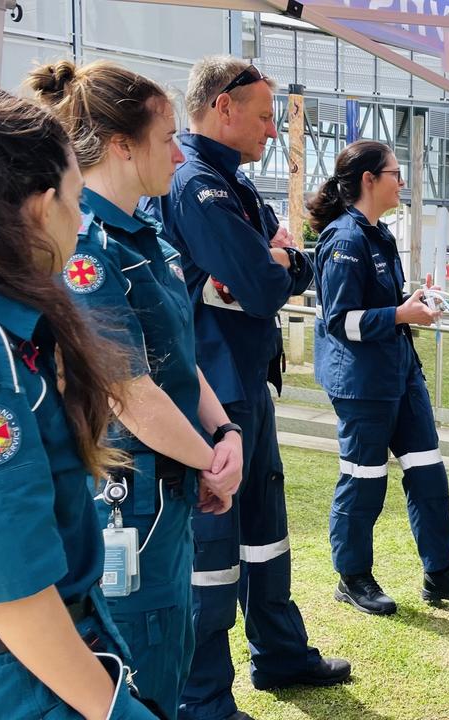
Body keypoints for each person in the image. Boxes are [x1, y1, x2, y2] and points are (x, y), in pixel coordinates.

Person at [28, 60, 245, 717]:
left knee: (173, 648)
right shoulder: (90, 248)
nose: (179, 154)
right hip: (131, 498)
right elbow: (128, 391)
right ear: (122, 145)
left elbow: (176, 356)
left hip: (172, 488)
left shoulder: (146, 234)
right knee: (140, 666)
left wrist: (224, 430)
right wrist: (208, 460)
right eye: (167, 138)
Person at [143, 56, 349, 720]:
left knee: (266, 532)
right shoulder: (196, 185)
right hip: (212, 394)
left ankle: (281, 653)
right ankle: (203, 698)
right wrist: (277, 262)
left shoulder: (233, 185)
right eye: (263, 116)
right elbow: (264, 287)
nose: (271, 131)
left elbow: (290, 268)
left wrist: (279, 260)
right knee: (211, 553)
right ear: (223, 107)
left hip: (245, 385)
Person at [0, 89, 157, 718]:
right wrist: (113, 712)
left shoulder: (5, 330)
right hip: (16, 677)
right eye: (75, 201)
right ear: (42, 209)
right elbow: (9, 588)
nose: (82, 221)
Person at [309, 139, 449, 614]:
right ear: (369, 180)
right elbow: (341, 321)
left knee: (428, 473)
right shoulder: (344, 240)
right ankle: (353, 577)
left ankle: (440, 572)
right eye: (394, 173)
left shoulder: (379, 235)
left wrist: (414, 303)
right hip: (363, 385)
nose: (401, 181)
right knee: (364, 479)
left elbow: (385, 304)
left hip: (401, 374)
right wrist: (400, 315)